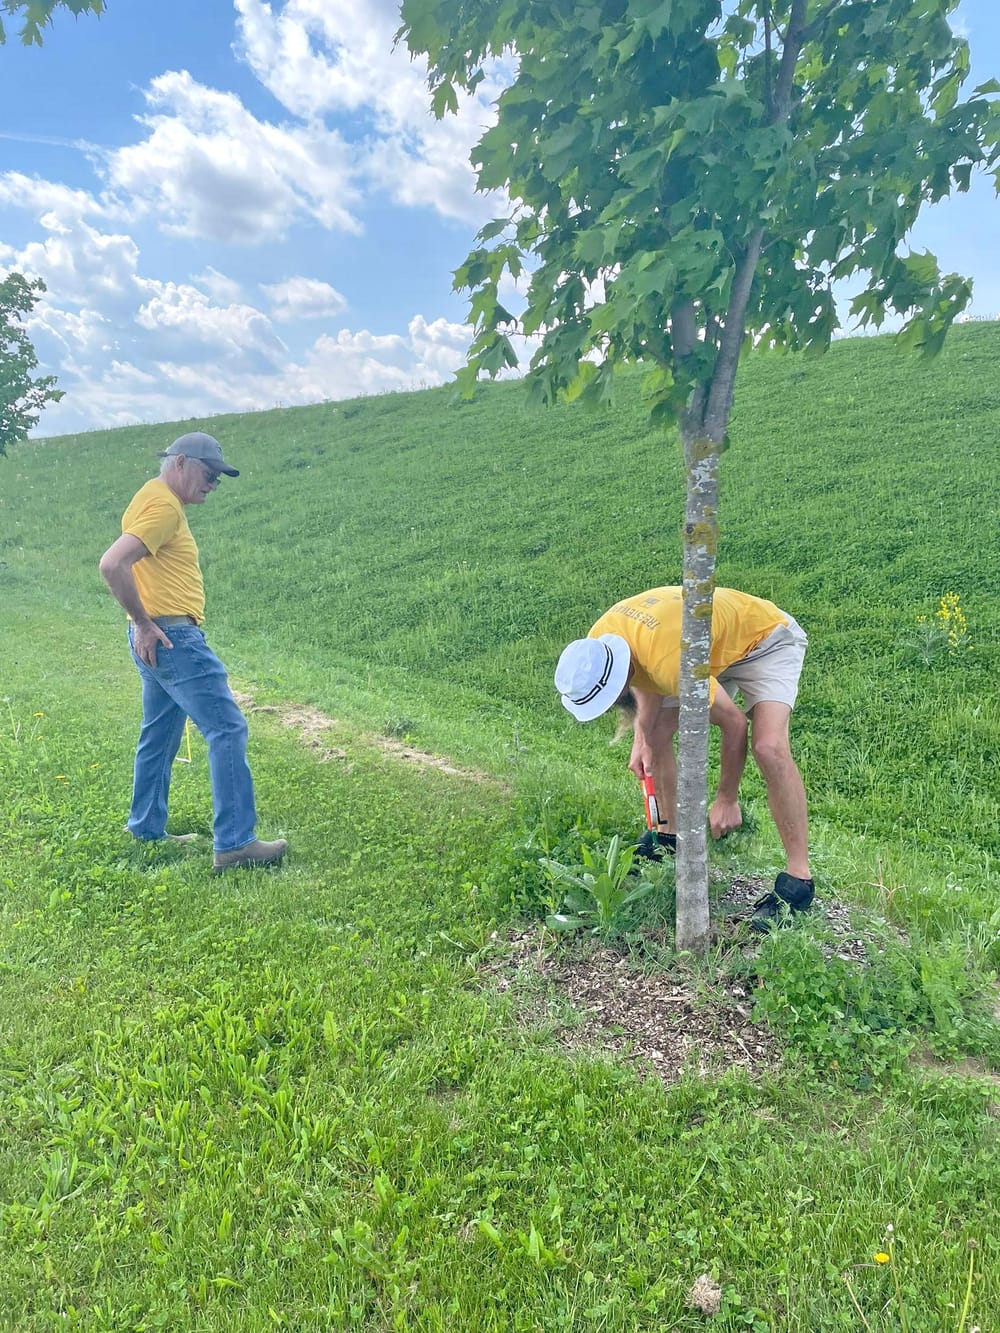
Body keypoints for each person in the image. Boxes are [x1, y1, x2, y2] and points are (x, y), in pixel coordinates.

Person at [554, 586, 812, 923]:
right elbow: (642, 676)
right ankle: (669, 836)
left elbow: (733, 723)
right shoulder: (599, 640)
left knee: (769, 746)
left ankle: (799, 882)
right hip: (701, 646)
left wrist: (727, 799)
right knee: (655, 732)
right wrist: (642, 738)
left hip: (765, 640)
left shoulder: (670, 663)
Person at [99, 432, 288, 873]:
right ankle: (236, 843)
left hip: (154, 636)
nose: (213, 485)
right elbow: (113, 563)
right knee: (227, 728)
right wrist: (146, 623)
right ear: (181, 463)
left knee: (160, 733)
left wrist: (142, 625)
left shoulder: (152, 496)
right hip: (172, 638)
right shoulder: (164, 505)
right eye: (209, 475)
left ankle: (145, 826)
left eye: (219, 479)